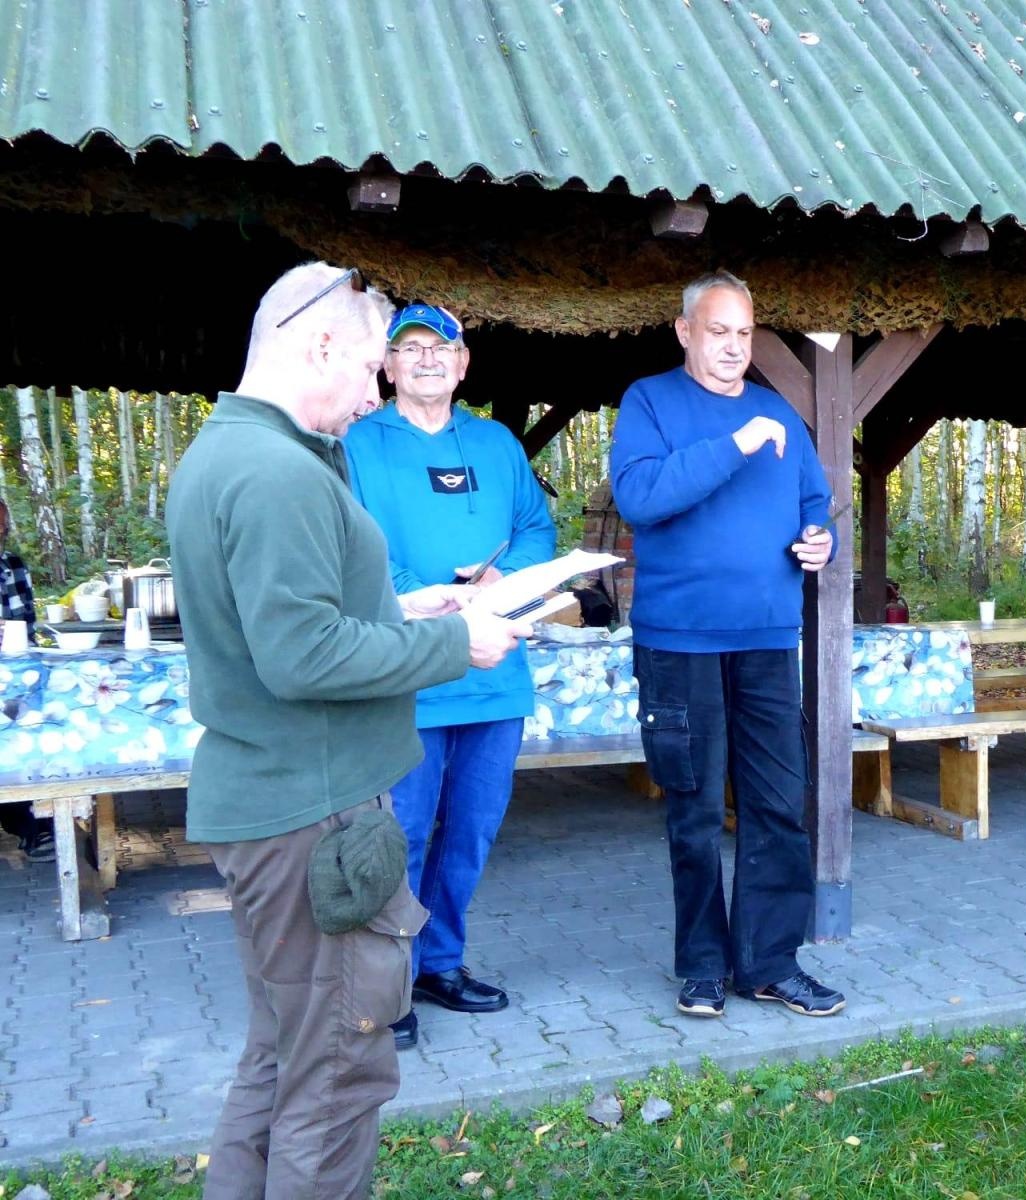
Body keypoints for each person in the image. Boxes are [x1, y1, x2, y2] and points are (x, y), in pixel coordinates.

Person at [166, 262, 532, 1200]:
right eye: (373, 363)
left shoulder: (232, 452)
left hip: (278, 807)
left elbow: (294, 623)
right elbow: (303, 658)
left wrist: (401, 608)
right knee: (338, 1072)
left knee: (284, 1056)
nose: (376, 386)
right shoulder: (279, 470)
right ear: (320, 343)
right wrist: (453, 641)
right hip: (316, 820)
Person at [609, 270, 845, 1019]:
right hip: (680, 642)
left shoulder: (780, 412)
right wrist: (735, 443)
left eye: (745, 334)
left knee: (779, 803)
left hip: (769, 640)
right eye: (719, 332)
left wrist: (823, 540)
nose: (733, 347)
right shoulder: (651, 403)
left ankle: (770, 963)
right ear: (685, 332)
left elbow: (816, 501)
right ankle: (703, 964)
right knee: (695, 809)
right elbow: (641, 497)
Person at [343, 303, 557, 1049]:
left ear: (464, 364)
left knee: (469, 832)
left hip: (495, 673)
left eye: (443, 348)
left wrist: (503, 578)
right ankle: (385, 986)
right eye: (412, 349)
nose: (428, 359)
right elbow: (353, 541)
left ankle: (440, 962)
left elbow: (537, 527)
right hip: (407, 676)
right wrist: (430, 597)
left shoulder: (496, 443)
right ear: (388, 366)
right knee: (397, 836)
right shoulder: (359, 445)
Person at [0, 499, 48, 862]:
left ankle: (28, 824)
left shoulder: (13, 564)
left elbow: (27, 623)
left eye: (2, 528)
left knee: (24, 737)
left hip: (14, 671)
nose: (1, 534)